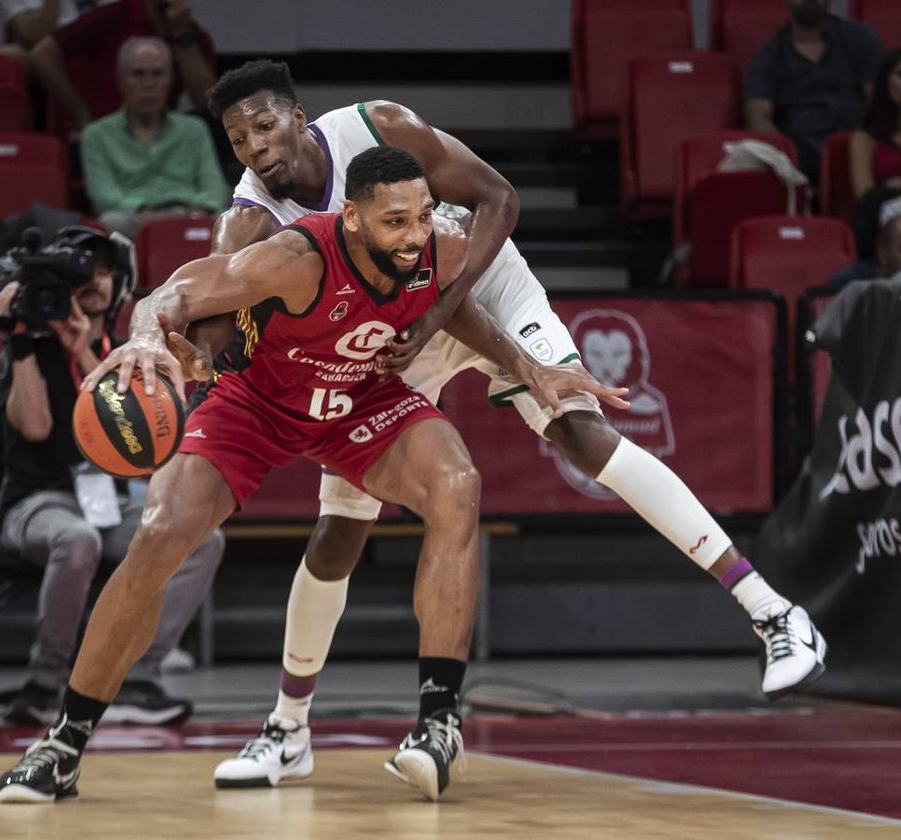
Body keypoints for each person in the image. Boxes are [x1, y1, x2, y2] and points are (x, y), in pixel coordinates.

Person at [193, 60, 830, 790]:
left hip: (477, 284)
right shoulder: (247, 221)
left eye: (265, 125)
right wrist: (197, 353)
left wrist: (442, 308)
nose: (256, 147)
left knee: (580, 430)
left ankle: (773, 611)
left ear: (298, 118)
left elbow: (499, 196)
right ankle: (288, 729)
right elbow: (214, 312)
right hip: (394, 327)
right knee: (340, 528)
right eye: (239, 138)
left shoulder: (380, 128)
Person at [0, 146, 628, 804]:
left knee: (458, 484)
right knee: (158, 535)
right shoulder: (296, 259)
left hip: (361, 401)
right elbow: (174, 292)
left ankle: (438, 722)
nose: (413, 235)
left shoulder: (436, 245)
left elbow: (455, 308)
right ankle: (64, 743)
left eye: (420, 217)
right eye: (395, 222)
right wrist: (150, 335)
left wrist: (533, 368)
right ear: (352, 218)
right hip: (256, 405)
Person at [0, 225, 223, 726]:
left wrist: (83, 352)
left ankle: (139, 678)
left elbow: (138, 443)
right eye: (83, 269)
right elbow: (35, 426)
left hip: (106, 499)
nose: (94, 280)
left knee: (203, 538)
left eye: (106, 271)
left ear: (122, 285)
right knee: (77, 539)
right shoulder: (24, 344)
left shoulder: (124, 350)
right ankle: (47, 682)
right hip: (35, 500)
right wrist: (23, 340)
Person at [80, 36, 229, 240]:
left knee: (231, 221)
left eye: (157, 74)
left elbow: (214, 188)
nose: (148, 84)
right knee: (111, 222)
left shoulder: (194, 129)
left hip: (191, 213)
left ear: (170, 79)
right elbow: (104, 195)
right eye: (138, 74)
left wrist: (199, 211)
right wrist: (146, 214)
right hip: (135, 219)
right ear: (121, 79)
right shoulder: (96, 135)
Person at [744, 0, 885, 185]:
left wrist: (863, 142)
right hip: (798, 158)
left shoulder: (860, 39)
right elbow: (758, 116)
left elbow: (882, 98)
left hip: (856, 147)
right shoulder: (767, 55)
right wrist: (786, 160)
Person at [24, 0, 216, 135]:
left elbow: (207, 104)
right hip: (107, 135)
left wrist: (182, 34)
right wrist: (82, 113)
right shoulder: (113, 17)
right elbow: (43, 54)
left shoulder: (194, 36)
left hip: (161, 138)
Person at [848, 49, 901, 261]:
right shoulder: (865, 139)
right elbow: (865, 195)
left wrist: (894, 185)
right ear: (887, 85)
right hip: (883, 224)